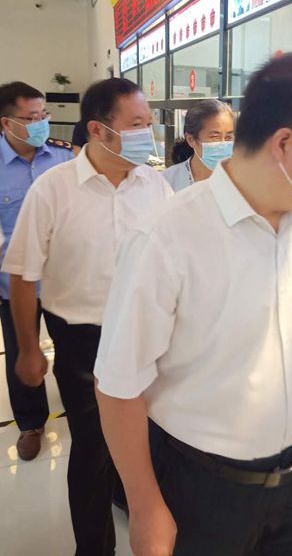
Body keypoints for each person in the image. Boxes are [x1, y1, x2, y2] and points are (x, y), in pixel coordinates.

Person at [95, 51, 292, 556]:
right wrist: (145, 506)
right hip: (204, 488)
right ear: (284, 143)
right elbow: (118, 385)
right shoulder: (167, 236)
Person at [2, 78, 173, 556]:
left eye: (149, 123)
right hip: (83, 340)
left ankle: (129, 496)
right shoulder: (53, 190)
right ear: (98, 130)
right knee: (94, 448)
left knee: (144, 436)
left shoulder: (154, 186)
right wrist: (28, 349)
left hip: (145, 334)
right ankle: (94, 548)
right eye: (136, 125)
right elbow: (22, 275)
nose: (147, 134)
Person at [0, 81, 73, 462]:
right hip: (14, 285)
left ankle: (80, 408)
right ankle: (31, 424)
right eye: (31, 117)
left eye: (44, 114)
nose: (41, 122)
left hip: (65, 282)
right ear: (6, 123)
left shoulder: (63, 158)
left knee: (74, 352)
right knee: (22, 354)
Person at [163, 99, 235, 192]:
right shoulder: (168, 182)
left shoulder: (242, 182)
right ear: (191, 139)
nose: (223, 144)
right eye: (215, 137)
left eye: (229, 137)